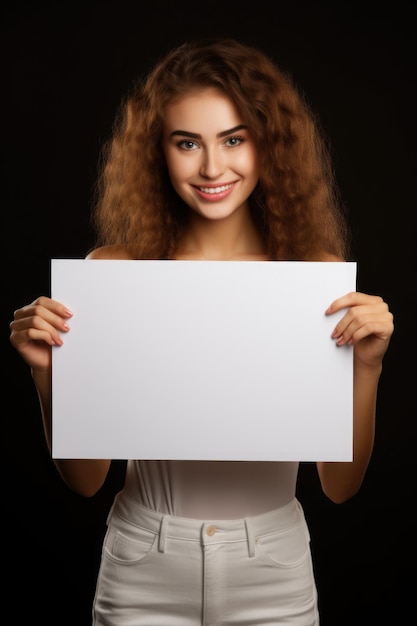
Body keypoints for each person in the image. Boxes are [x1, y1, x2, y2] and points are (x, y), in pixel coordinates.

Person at [9, 38, 394, 625]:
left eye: (234, 139)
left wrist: (367, 367)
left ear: (269, 145)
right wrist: (47, 371)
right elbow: (85, 480)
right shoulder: (114, 274)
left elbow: (340, 486)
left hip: (273, 569)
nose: (213, 168)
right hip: (142, 563)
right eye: (187, 143)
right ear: (157, 152)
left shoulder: (313, 277)